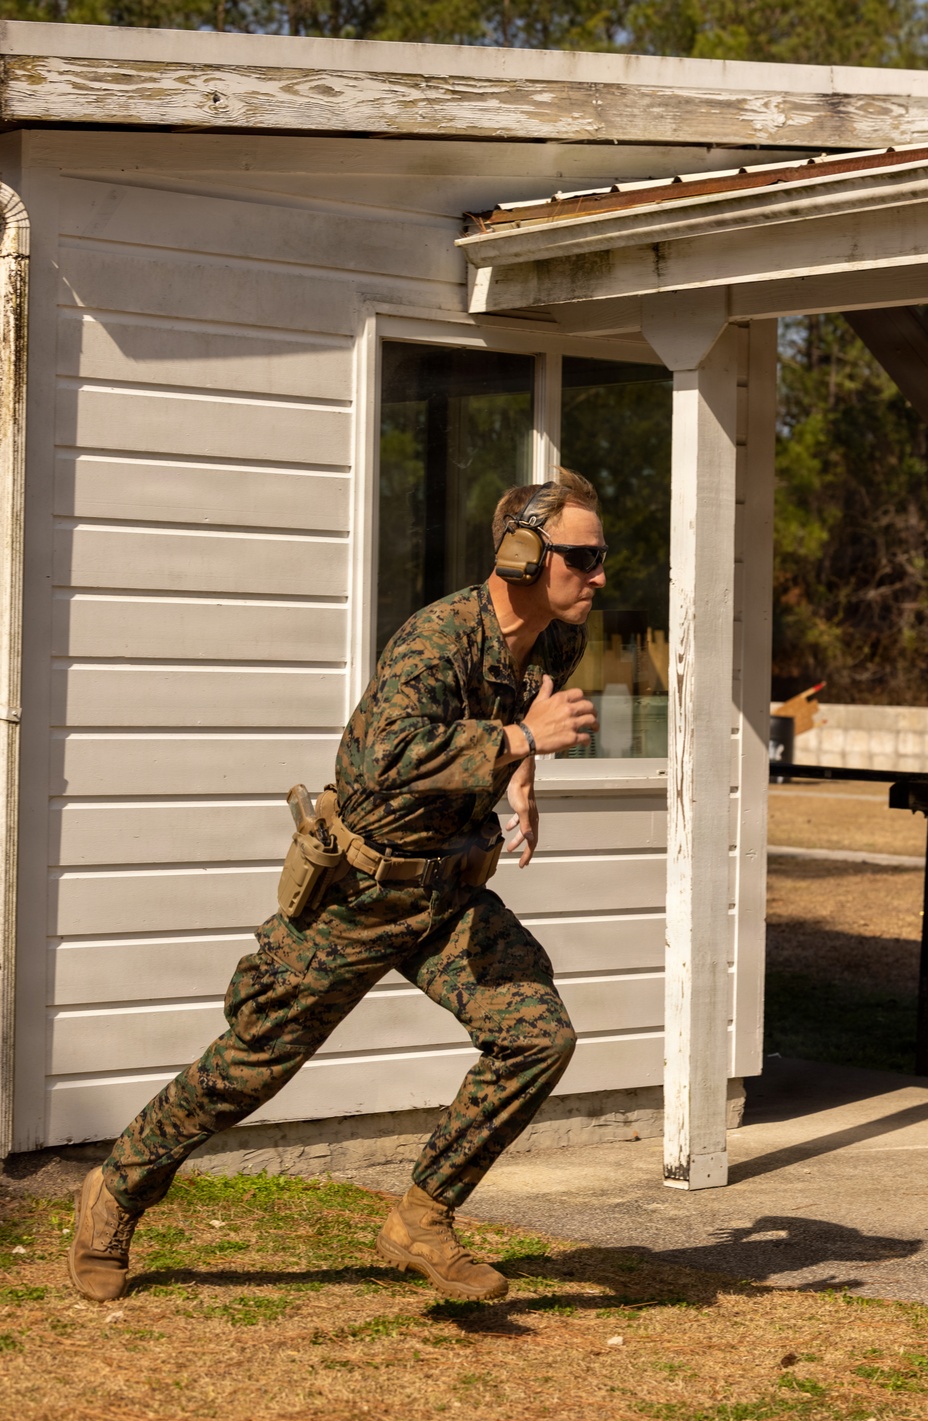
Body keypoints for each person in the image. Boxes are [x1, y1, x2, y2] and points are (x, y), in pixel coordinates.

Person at [68, 469, 608, 1304]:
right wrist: (513, 736)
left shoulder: (556, 639)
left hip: (446, 895)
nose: (601, 574)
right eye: (585, 556)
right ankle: (115, 1190)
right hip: (360, 891)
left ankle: (421, 1217)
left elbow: (528, 701)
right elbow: (375, 760)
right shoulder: (437, 639)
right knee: (248, 1067)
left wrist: (522, 769)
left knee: (538, 1036)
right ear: (526, 555)